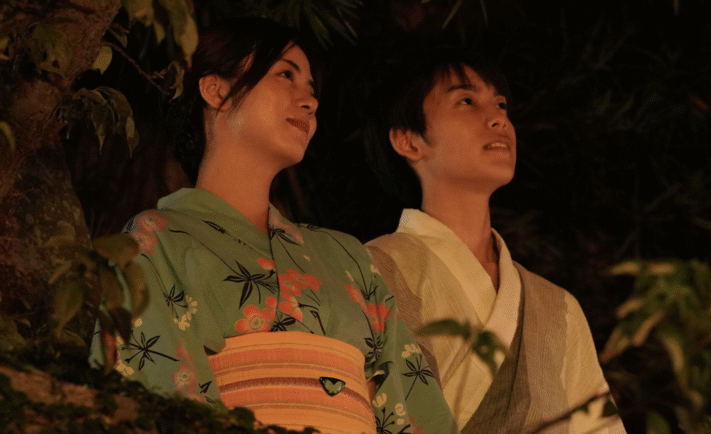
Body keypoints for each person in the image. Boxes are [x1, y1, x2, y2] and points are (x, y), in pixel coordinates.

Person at [89, 18, 457, 434]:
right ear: (218, 90)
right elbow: (152, 391)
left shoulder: (346, 255)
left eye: (313, 91)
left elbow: (413, 404)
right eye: (286, 75)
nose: (310, 102)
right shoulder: (154, 240)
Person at [363, 47, 626, 434]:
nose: (498, 118)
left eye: (501, 104)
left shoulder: (558, 309)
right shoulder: (370, 270)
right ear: (409, 141)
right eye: (466, 101)